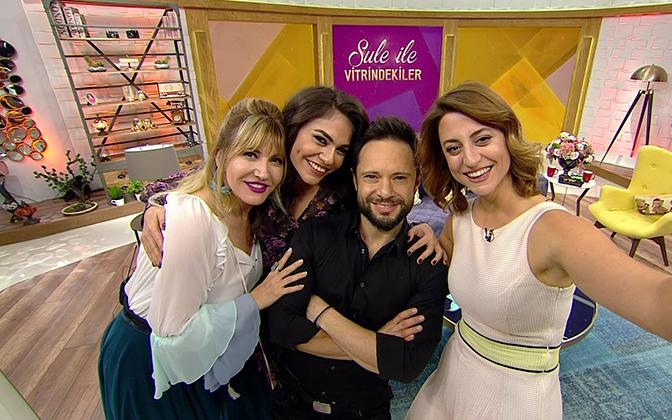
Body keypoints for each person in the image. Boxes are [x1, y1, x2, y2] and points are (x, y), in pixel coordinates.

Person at [406, 81, 672, 419]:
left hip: (515, 396)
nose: (469, 158)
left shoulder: (557, 229)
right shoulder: (461, 215)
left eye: (482, 139)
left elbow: (656, 297)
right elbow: (450, 261)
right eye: (453, 148)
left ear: (507, 136)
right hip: (456, 369)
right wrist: (431, 240)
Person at [98, 99, 307, 419]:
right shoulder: (193, 218)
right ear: (221, 156)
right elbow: (173, 341)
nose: (263, 172)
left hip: (201, 361)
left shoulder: (252, 210)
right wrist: (256, 300)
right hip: (151, 364)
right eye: (250, 154)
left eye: (275, 159)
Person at [140, 87, 446, 273]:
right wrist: (158, 208)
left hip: (300, 328)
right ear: (294, 128)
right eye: (320, 140)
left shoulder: (341, 192)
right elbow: (176, 184)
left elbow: (379, 210)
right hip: (237, 315)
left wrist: (417, 230)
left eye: (341, 149)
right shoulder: (263, 176)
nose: (328, 157)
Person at [267, 116, 449, 419]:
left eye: (399, 177)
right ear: (355, 180)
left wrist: (319, 311)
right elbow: (280, 328)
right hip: (291, 406)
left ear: (416, 181)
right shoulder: (315, 235)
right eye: (372, 176)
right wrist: (375, 342)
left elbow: (405, 365)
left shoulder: (428, 263)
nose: (385, 191)